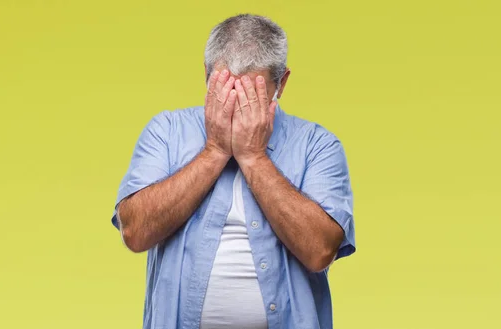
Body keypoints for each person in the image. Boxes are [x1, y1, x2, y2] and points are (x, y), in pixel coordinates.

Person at [110, 14, 356, 329]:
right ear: (206, 76)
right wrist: (214, 151)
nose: (236, 107)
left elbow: (320, 251)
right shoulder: (166, 132)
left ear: (281, 84)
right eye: (226, 90)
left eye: (251, 96)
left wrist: (254, 157)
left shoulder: (318, 145)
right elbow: (134, 232)